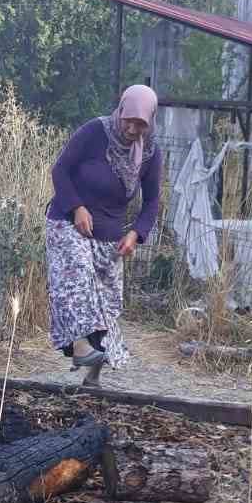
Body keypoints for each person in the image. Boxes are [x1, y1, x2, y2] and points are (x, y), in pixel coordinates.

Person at [45, 84, 162, 383]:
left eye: (140, 123)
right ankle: (80, 347)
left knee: (107, 302)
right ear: (120, 110)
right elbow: (60, 170)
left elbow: (151, 201)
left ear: (150, 121)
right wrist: (77, 207)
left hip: (109, 234)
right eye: (128, 119)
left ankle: (93, 373)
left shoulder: (149, 152)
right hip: (68, 223)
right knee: (77, 278)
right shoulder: (95, 132)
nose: (132, 128)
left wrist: (136, 233)